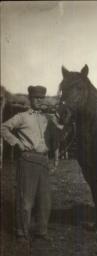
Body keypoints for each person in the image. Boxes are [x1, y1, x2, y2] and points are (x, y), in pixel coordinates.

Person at [1, 85, 61, 242]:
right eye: (37, 98)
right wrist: (17, 143)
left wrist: (55, 158)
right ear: (30, 98)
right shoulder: (22, 117)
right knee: (26, 199)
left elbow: (58, 136)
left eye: (42, 98)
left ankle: (41, 231)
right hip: (27, 160)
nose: (40, 101)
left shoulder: (47, 118)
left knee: (45, 200)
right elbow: (3, 127)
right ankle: (21, 232)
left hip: (43, 161)